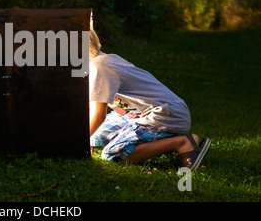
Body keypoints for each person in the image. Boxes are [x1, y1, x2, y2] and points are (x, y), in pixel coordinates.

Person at [89, 23, 211, 169]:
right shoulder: (98, 61)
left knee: (113, 155)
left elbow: (98, 114)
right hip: (137, 115)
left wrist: (75, 142)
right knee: (94, 137)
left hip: (164, 114)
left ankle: (181, 142)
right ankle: (170, 140)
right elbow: (92, 106)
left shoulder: (100, 66)